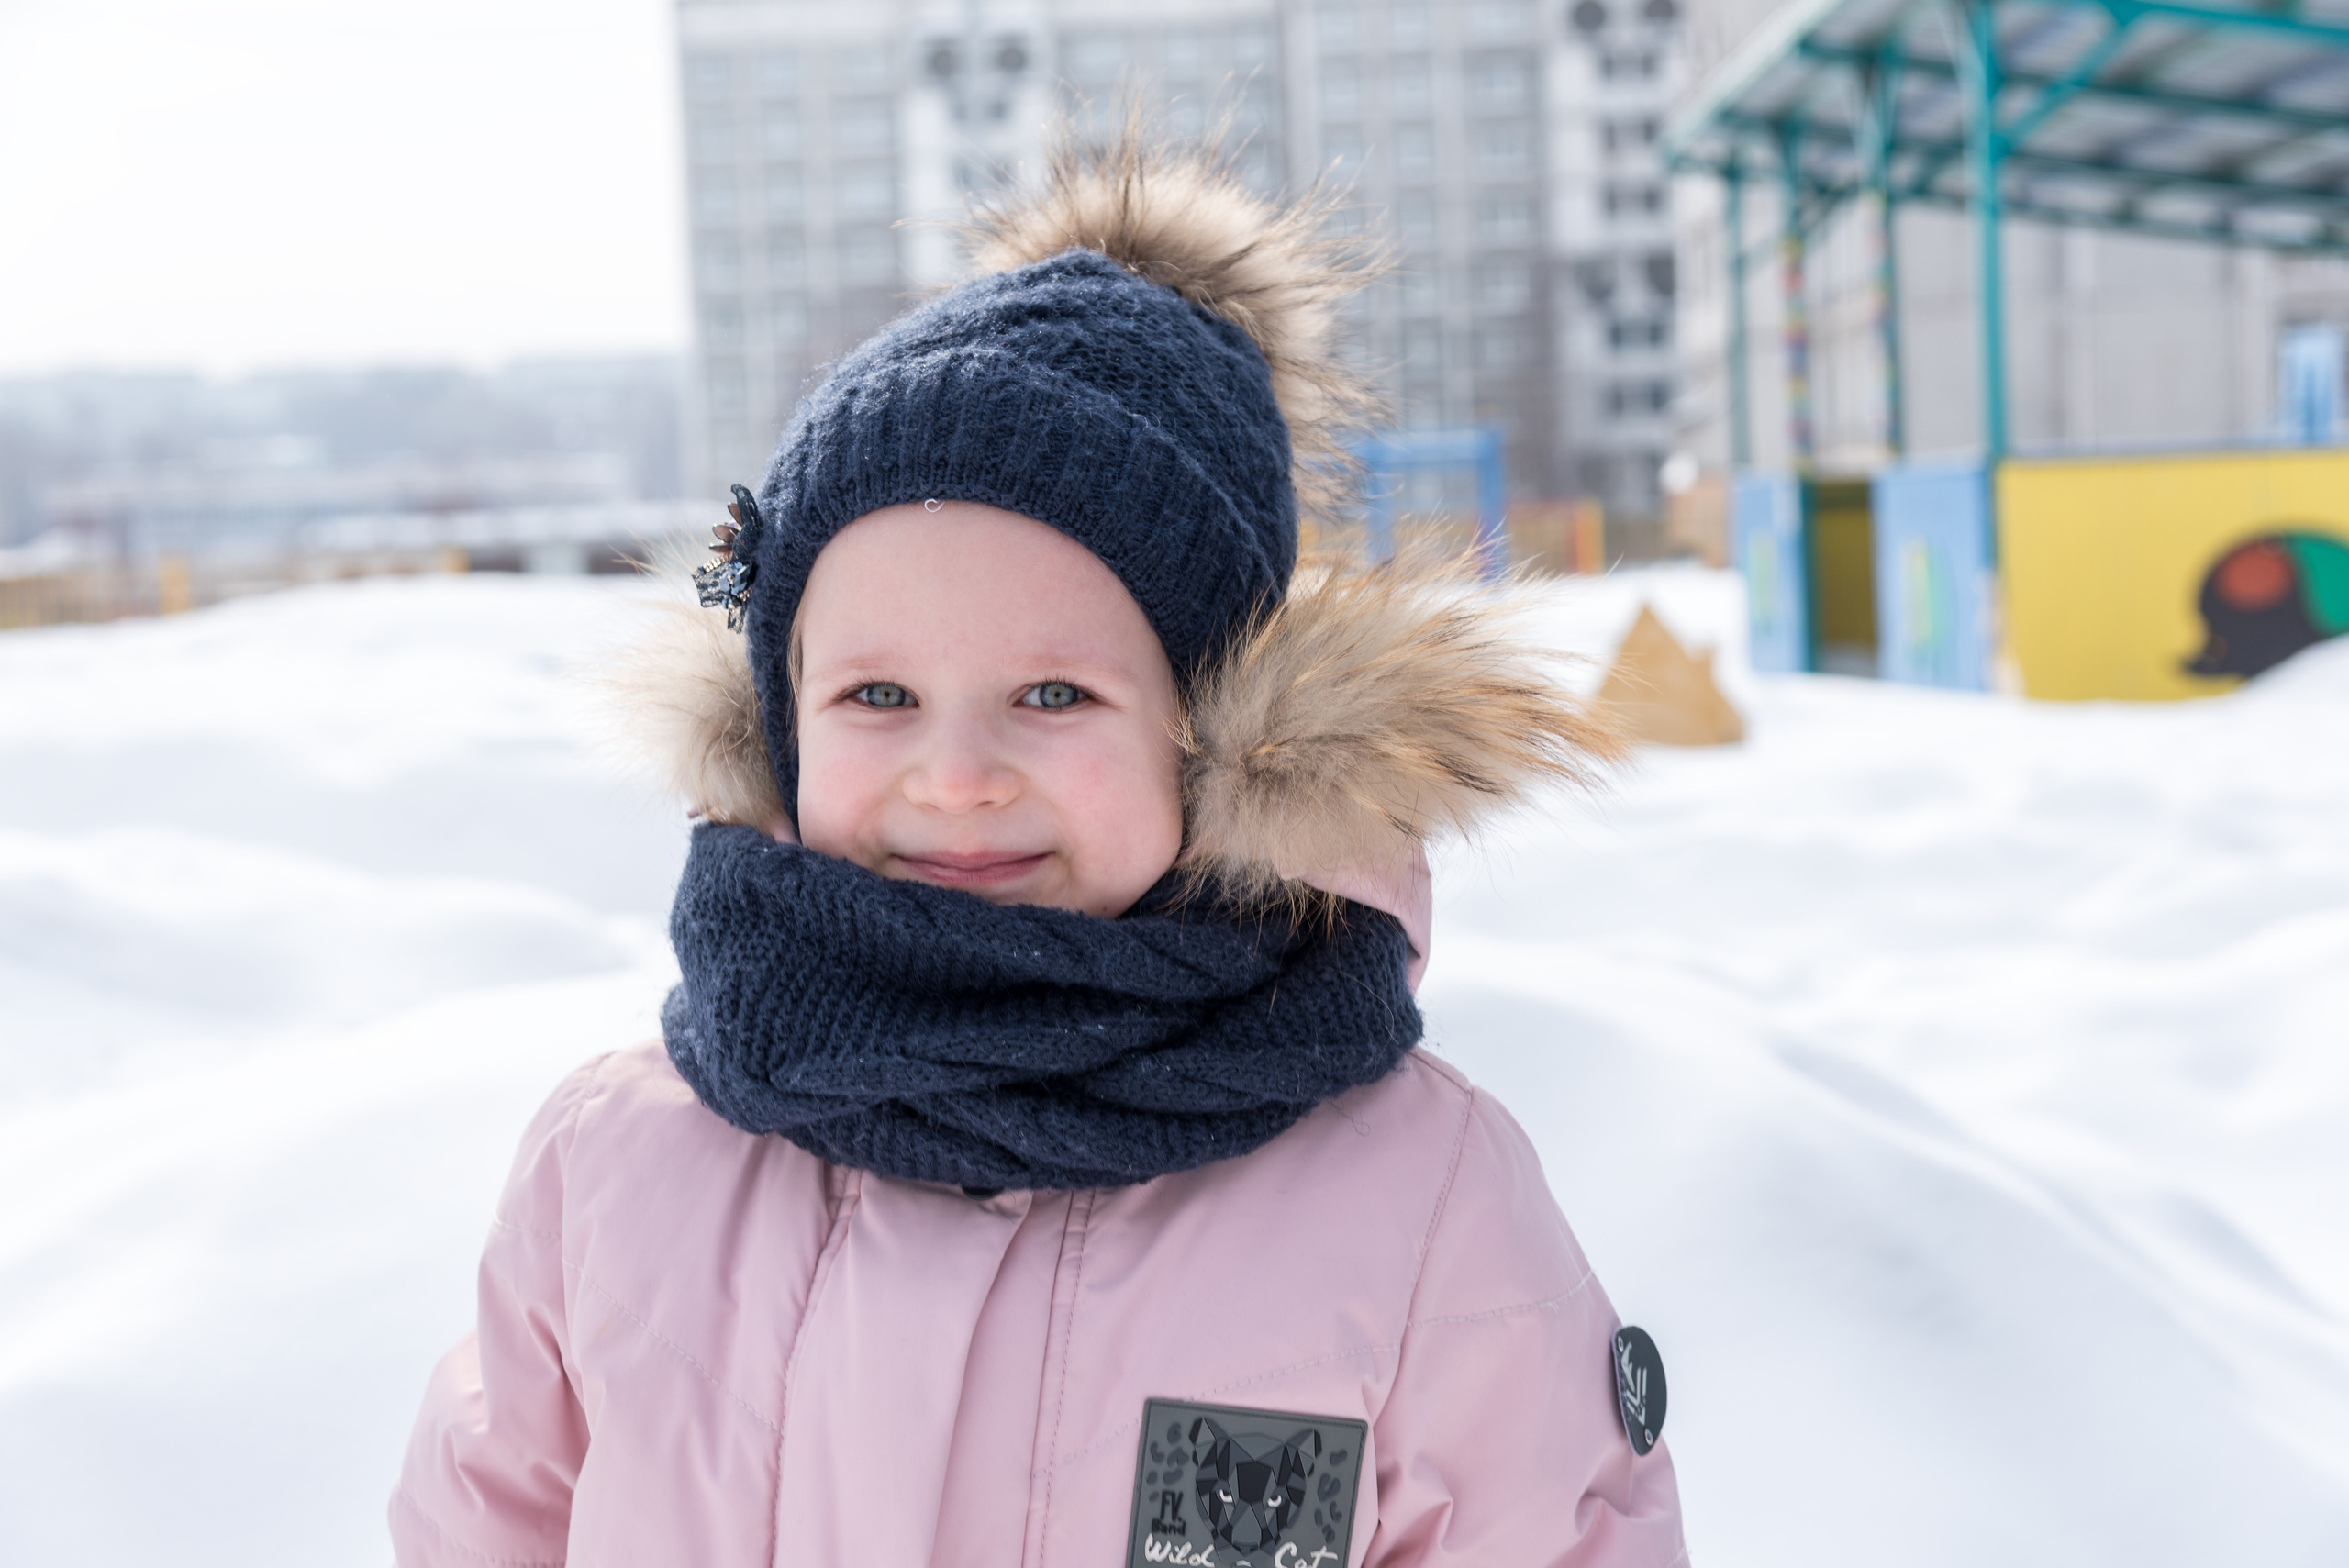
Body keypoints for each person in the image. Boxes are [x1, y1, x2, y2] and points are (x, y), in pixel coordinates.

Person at [390, 137, 1687, 1567]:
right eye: (876, 697)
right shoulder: (622, 1164)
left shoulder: (1416, 1203)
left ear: (1216, 732)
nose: (955, 775)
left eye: (1054, 695)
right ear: (780, 721)